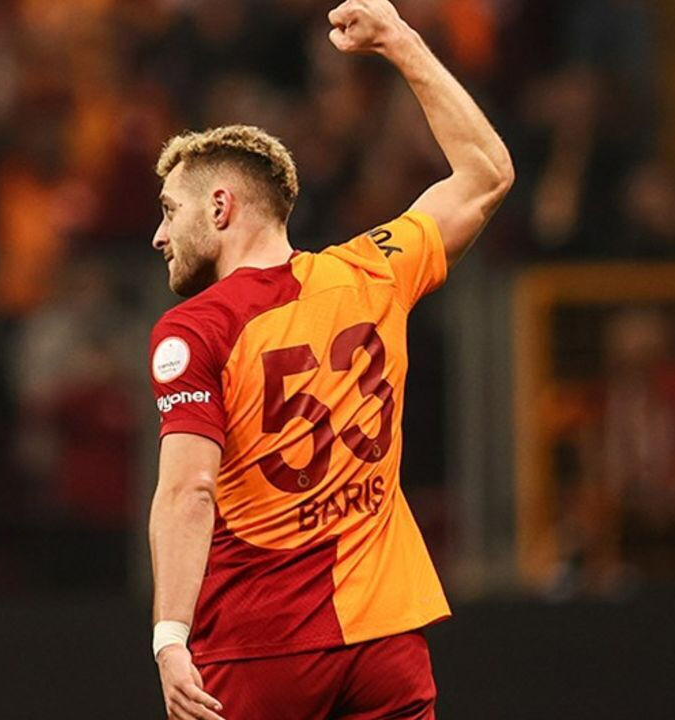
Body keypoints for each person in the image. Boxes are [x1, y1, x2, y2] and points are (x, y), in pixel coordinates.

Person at [144, 2, 514, 719]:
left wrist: (169, 638)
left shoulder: (194, 328)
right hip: (385, 642)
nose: (159, 236)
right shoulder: (373, 270)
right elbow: (487, 173)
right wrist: (400, 40)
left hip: (260, 645)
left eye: (169, 209)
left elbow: (189, 491)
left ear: (219, 207)